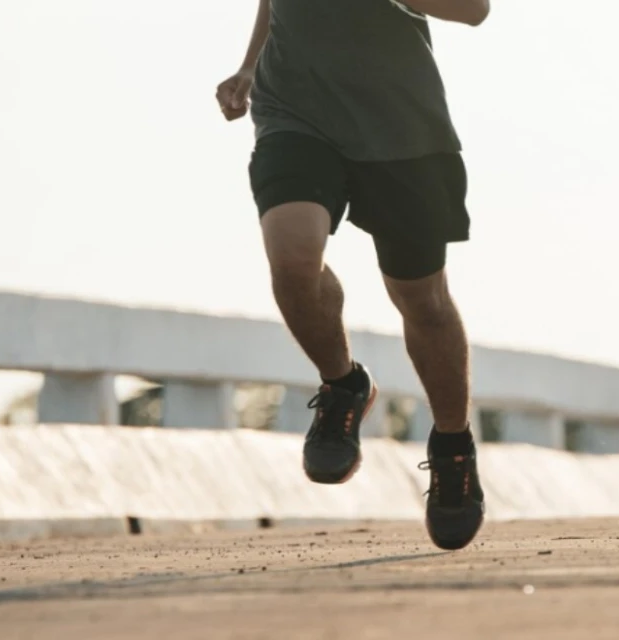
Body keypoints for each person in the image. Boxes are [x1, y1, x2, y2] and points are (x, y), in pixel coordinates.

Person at [214, 0, 490, 551]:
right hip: (295, 109)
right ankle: (344, 385)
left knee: (423, 299)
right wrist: (250, 63)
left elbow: (474, 10)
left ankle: (453, 449)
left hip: (402, 124)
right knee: (293, 260)